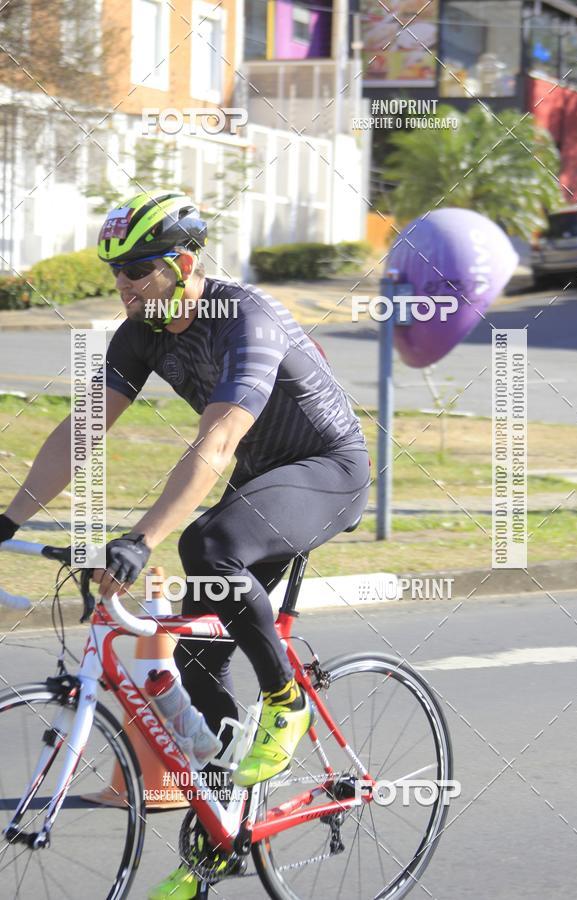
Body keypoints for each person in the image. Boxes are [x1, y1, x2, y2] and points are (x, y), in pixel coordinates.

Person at [0, 191, 370, 899]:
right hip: (264, 480)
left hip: (329, 470)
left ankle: (286, 697)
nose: (125, 285)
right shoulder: (139, 331)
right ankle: (220, 841)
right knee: (199, 653)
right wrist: (9, 519)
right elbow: (82, 431)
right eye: (117, 271)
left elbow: (217, 441)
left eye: (139, 268)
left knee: (207, 543)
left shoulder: (246, 320)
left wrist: (142, 538)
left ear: (185, 263)